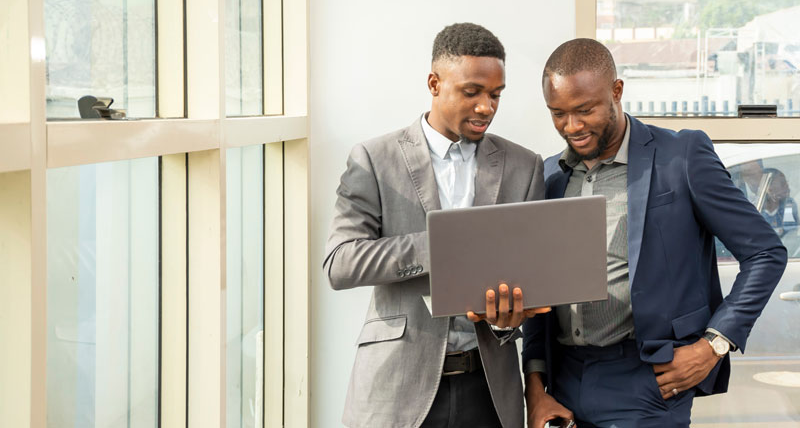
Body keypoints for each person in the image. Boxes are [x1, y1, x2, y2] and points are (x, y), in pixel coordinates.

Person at [522, 38, 788, 428]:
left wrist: (713, 345)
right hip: (564, 385)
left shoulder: (681, 157)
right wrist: (535, 390)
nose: (572, 126)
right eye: (558, 113)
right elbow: (539, 293)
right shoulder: (548, 176)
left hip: (648, 381)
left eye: (584, 110)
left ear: (617, 92)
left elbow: (765, 253)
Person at [324, 23, 548, 428]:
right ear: (434, 82)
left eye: (495, 95)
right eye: (472, 92)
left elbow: (529, 277)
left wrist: (505, 319)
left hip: (490, 391)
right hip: (396, 387)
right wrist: (443, 245)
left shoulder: (524, 166)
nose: (486, 107)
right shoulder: (374, 159)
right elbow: (340, 263)